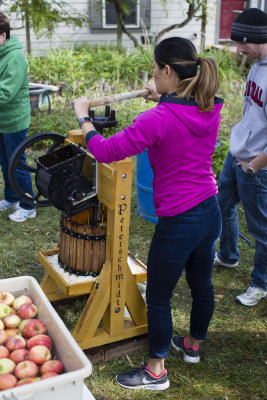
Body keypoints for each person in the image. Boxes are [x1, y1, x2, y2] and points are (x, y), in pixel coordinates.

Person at [73, 36, 223, 391]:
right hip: (209, 210)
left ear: (167, 71)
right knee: (201, 284)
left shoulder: (157, 120)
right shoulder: (210, 105)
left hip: (180, 221)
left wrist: (83, 117)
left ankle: (156, 370)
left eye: (155, 70)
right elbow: (178, 114)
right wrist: (163, 97)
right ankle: (193, 345)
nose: (153, 76)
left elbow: (107, 150)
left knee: (157, 296)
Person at [214, 8, 267, 307]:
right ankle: (229, 255)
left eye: (242, 42)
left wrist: (254, 166)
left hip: (255, 166)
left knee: (261, 228)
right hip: (237, 154)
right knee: (222, 203)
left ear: (258, 38)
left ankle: (261, 283)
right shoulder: (257, 63)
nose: (238, 49)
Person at [0, 12, 36, 222]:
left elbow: (5, 93)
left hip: (14, 120)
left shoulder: (15, 58)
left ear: (3, 36)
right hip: (2, 120)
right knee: (5, 162)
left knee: (17, 163)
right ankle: (12, 197)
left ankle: (28, 205)